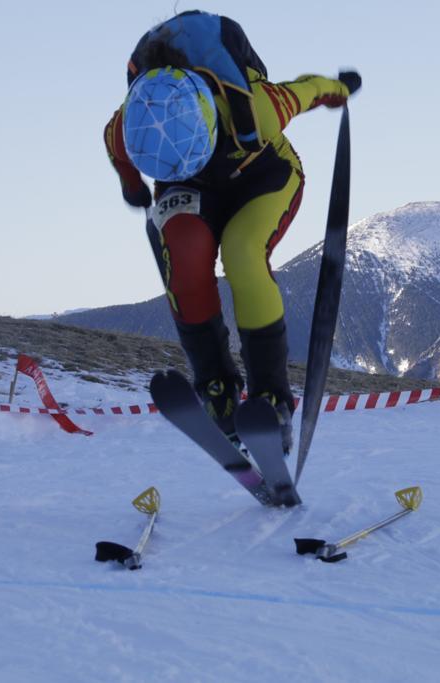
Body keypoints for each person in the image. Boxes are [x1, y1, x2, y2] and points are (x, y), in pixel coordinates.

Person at [104, 10, 360, 453]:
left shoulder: (257, 108)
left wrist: (339, 88)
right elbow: (119, 155)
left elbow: (307, 90)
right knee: (184, 266)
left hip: (262, 176)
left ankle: (271, 395)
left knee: (243, 253)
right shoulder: (126, 129)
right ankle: (217, 387)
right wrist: (132, 186)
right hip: (187, 190)